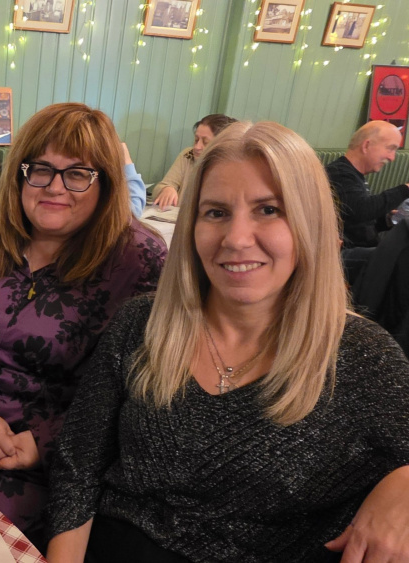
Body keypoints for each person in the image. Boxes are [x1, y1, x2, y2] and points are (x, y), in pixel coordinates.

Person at [47, 121, 409, 563]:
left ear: (310, 223)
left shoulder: (363, 358)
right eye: (216, 212)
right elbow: (77, 468)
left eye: (269, 209)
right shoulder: (141, 324)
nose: (236, 239)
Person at [0, 103, 167, 549]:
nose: (55, 187)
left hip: (38, 460)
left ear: (106, 183)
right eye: (41, 169)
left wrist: (43, 442)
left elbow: (131, 393)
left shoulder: (140, 261)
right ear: (20, 174)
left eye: (78, 174)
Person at [326, 120, 409, 249]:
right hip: (350, 255)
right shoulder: (339, 173)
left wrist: (386, 220)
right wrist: (405, 189)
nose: (392, 158)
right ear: (366, 146)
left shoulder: (352, 175)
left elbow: (355, 224)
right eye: (390, 148)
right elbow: (361, 210)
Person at [152, 114, 237, 210]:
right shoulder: (187, 155)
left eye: (205, 142)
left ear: (223, 145)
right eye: (196, 140)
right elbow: (160, 187)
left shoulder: (231, 168)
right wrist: (166, 189)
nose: (197, 147)